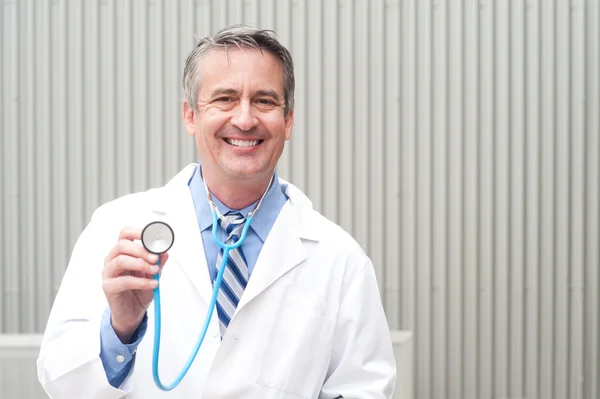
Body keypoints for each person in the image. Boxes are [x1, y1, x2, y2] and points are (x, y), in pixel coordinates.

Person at [37, 25, 396, 398]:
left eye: (265, 101)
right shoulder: (116, 229)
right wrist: (121, 327)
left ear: (288, 120)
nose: (244, 119)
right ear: (190, 116)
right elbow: (61, 380)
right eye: (224, 99)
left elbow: (364, 389)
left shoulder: (340, 259)